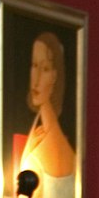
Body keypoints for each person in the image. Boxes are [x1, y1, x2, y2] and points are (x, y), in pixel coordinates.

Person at [17, 31, 74, 187]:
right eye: (35, 66)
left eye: (45, 69)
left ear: (55, 76)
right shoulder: (40, 133)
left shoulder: (49, 146)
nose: (36, 79)